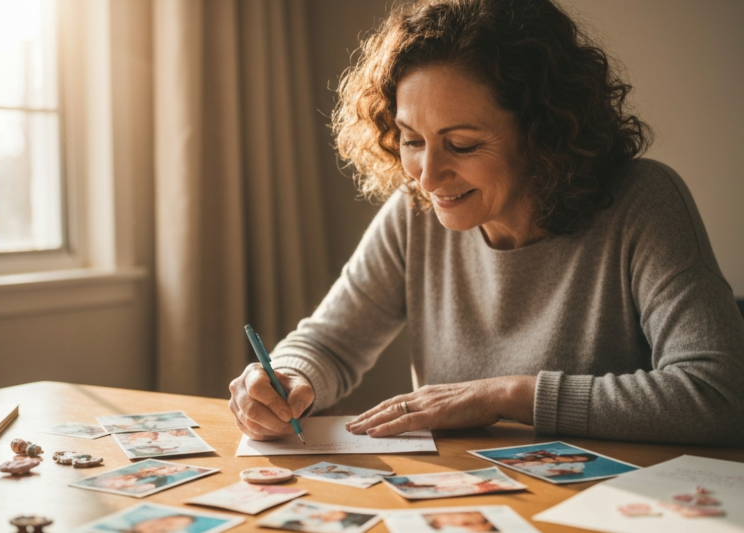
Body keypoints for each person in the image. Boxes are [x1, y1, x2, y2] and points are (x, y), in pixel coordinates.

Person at [228, 0, 744, 446]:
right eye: (412, 139)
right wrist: (287, 378)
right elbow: (330, 344)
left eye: (462, 145)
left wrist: (507, 395)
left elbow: (720, 393)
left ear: (543, 133)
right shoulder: (416, 212)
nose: (428, 176)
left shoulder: (642, 202)